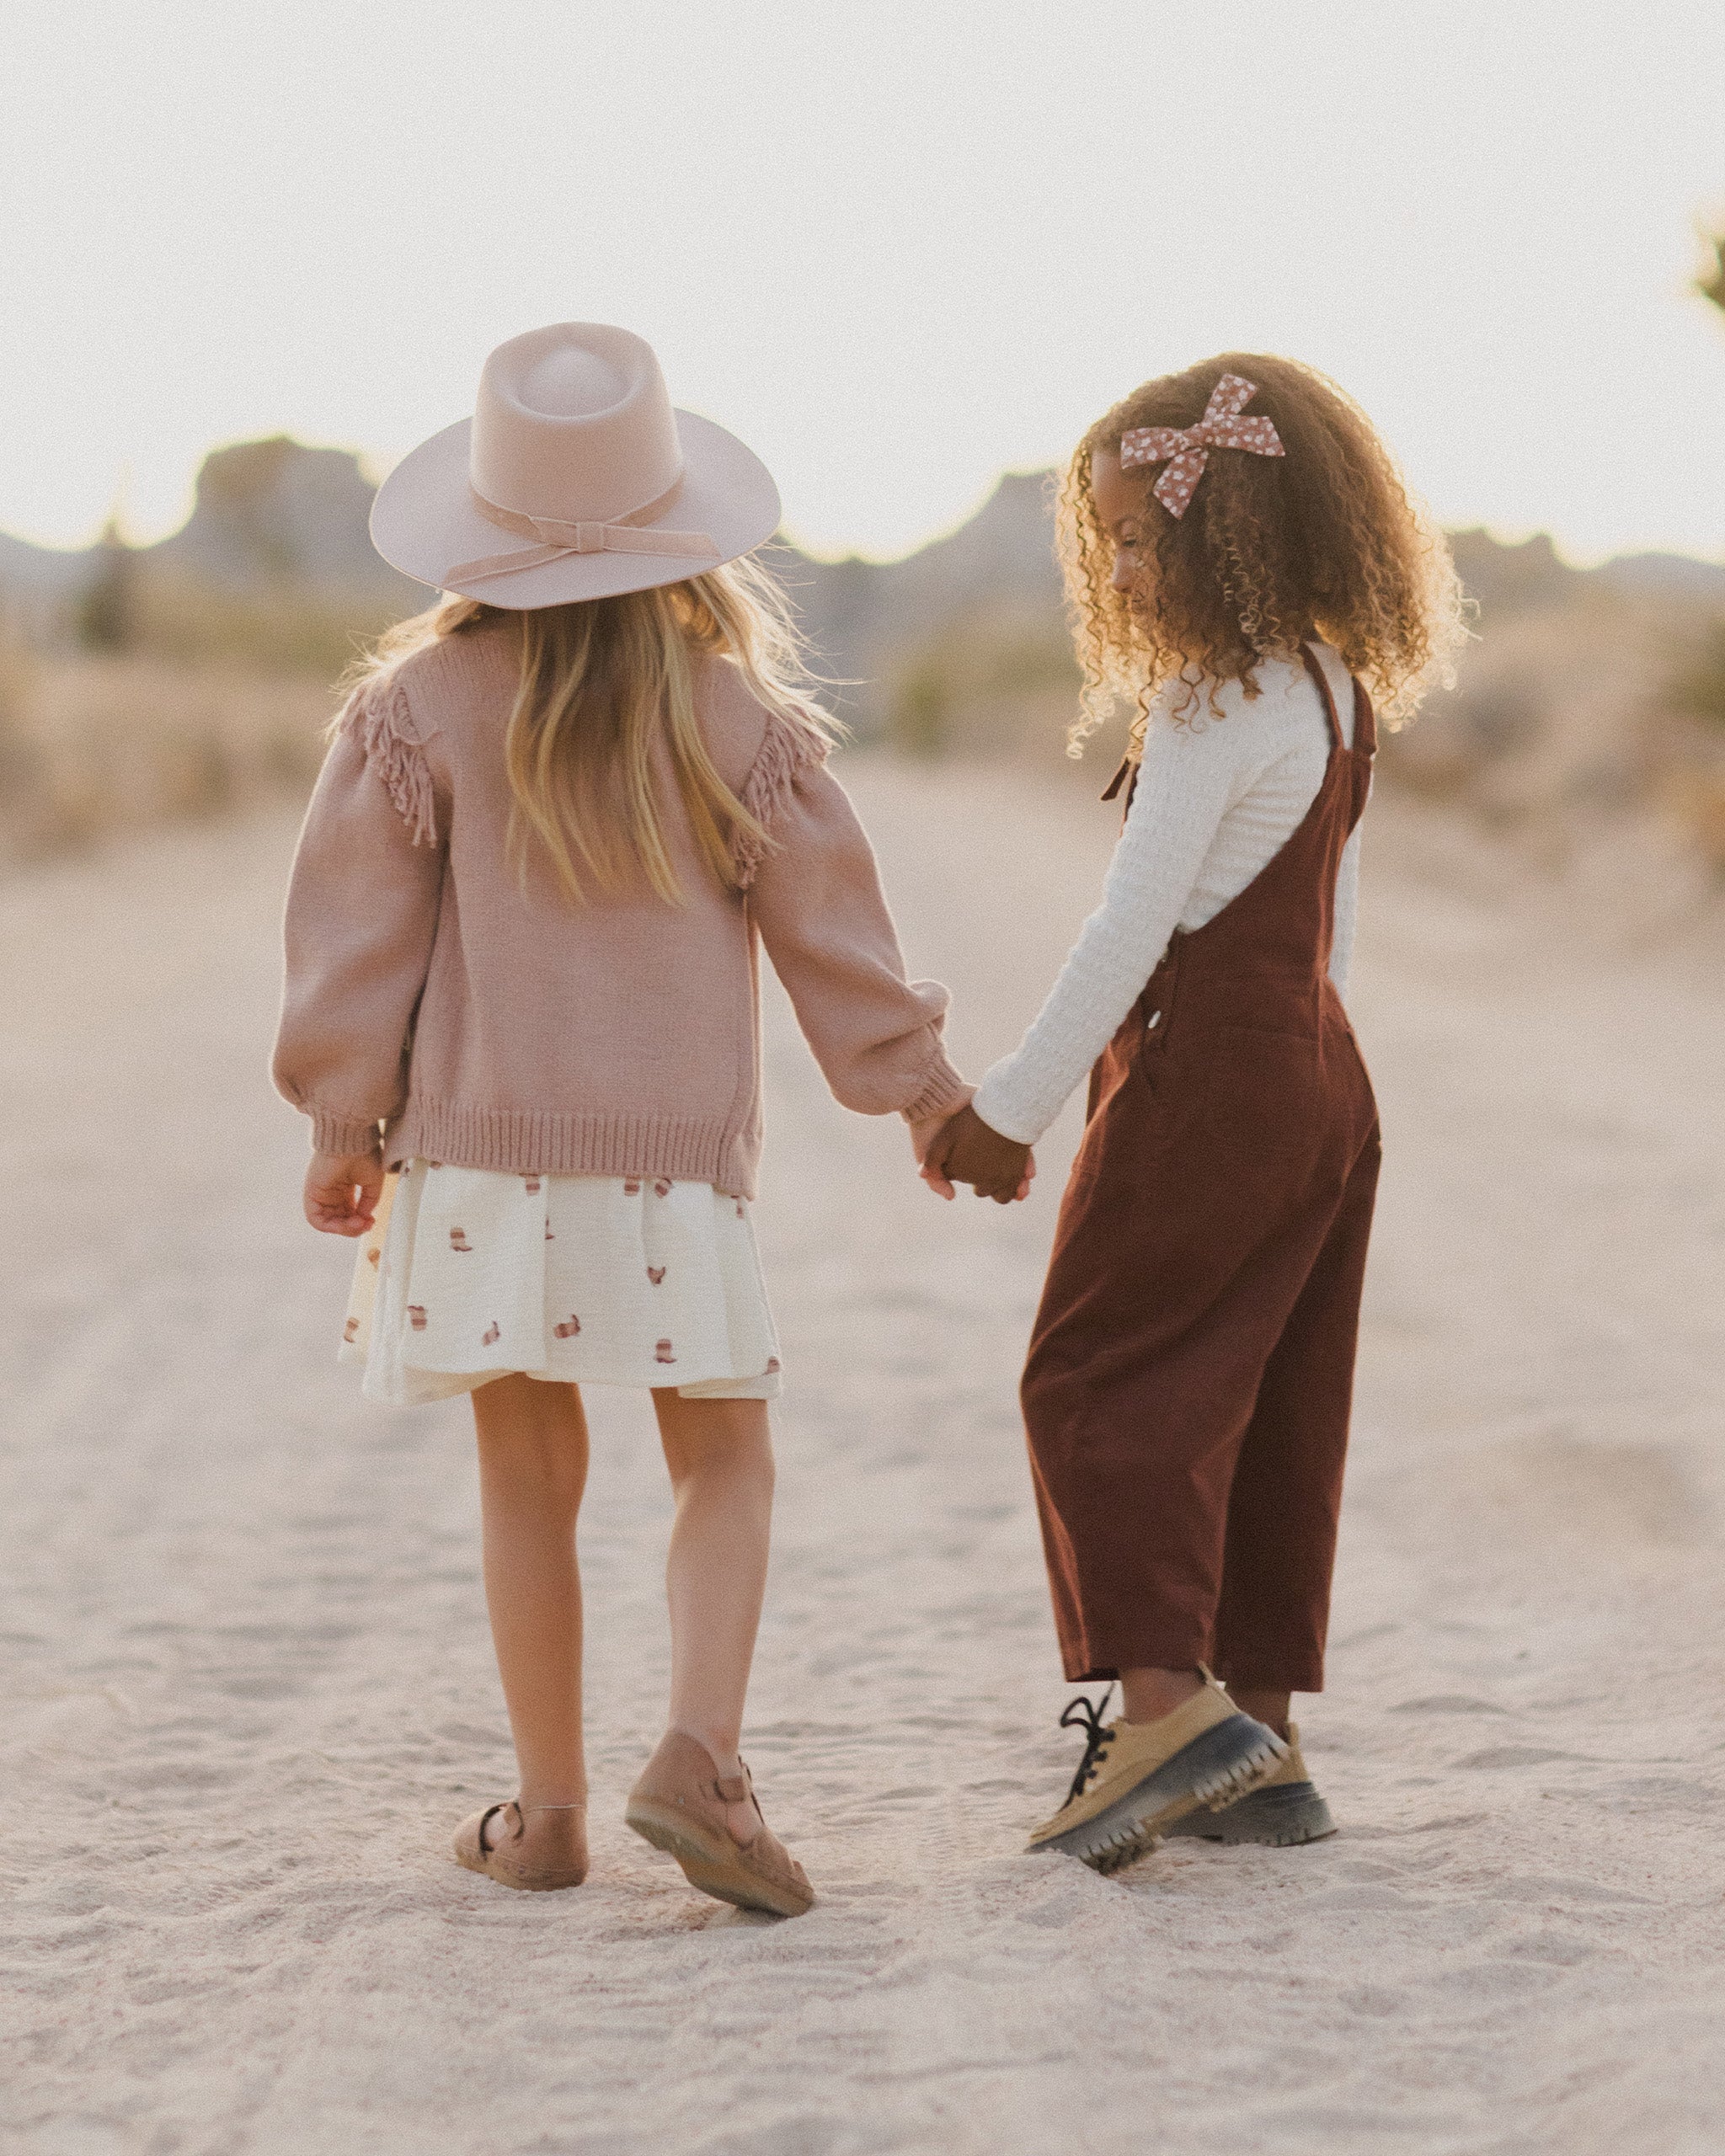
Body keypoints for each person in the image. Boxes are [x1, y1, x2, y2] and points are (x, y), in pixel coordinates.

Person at [274, 323, 971, 1916]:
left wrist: (339, 1125)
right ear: (680, 538)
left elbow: (353, 940)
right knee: (723, 1459)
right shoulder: (733, 720)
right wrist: (921, 1094)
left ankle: (549, 1814)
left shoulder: (418, 707)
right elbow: (834, 939)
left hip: (477, 1165)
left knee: (527, 1476)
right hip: (667, 1177)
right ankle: (703, 1760)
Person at [924, 357, 1466, 1871]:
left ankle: (1165, 1711)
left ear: (1229, 533)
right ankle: (1268, 1742)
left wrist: (1008, 1113)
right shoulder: (1332, 691)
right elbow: (1328, 925)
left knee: (1095, 1374)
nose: (1118, 569)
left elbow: (1126, 929)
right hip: (1314, 1066)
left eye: (1138, 538)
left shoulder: (1213, 699)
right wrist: (1309, 1069)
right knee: (1273, 1389)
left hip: (1206, 1065)